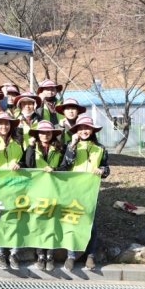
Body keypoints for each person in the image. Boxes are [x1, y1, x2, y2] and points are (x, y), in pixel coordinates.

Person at [61, 116, 110, 272]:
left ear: (93, 130)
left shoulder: (101, 147)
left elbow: (106, 168)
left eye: (87, 128)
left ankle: (90, 255)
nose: (84, 131)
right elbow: (67, 164)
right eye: (80, 129)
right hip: (73, 189)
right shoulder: (70, 145)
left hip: (91, 190)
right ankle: (71, 255)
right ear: (76, 131)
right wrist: (73, 145)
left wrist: (102, 170)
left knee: (91, 224)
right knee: (72, 221)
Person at [23, 120, 67, 271]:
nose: (45, 135)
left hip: (54, 190)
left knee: (52, 222)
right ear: (37, 134)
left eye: (48, 132)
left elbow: (65, 166)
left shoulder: (59, 148)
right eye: (41, 132)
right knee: (38, 222)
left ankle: (50, 254)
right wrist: (29, 146)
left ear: (52, 134)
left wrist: (54, 169)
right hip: (36, 190)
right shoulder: (32, 147)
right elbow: (28, 164)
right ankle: (40, 254)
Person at [0, 111, 26, 270]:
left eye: (7, 123)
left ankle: (14, 252)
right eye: (0, 123)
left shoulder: (17, 142)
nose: (4, 126)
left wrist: (20, 165)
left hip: (16, 185)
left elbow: (25, 160)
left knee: (15, 219)